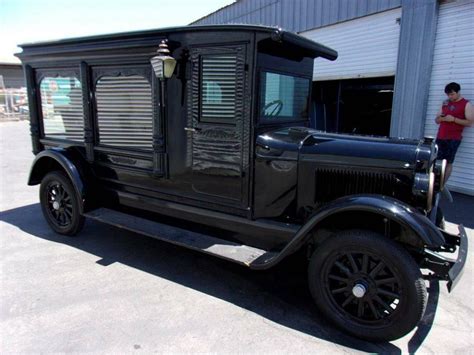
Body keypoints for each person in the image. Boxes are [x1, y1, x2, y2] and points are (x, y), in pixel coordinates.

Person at [435, 82, 473, 181]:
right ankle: (434, 183)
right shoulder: (445, 103)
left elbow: (469, 122)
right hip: (440, 136)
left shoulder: (466, 104)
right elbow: (436, 120)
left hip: (453, 138)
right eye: (448, 94)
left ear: (458, 92)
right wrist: (441, 118)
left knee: (448, 162)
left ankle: (442, 184)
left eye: (452, 94)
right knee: (435, 160)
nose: (450, 96)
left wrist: (453, 119)